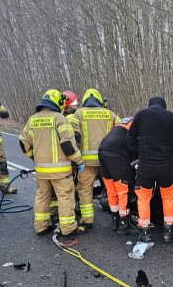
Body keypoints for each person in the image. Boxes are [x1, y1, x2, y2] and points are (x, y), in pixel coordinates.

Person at [19, 90, 86, 236]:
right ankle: (68, 228)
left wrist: (34, 157)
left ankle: (41, 226)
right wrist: (79, 161)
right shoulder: (60, 119)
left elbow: (23, 142)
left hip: (41, 170)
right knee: (65, 196)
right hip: (60, 170)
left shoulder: (32, 120)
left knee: (43, 196)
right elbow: (68, 145)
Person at [127, 96, 173, 243]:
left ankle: (145, 232)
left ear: (150, 104)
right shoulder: (172, 117)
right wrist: (172, 154)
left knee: (143, 197)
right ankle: (168, 232)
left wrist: (139, 153)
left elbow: (130, 138)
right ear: (163, 105)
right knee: (168, 197)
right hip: (166, 165)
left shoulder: (140, 114)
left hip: (146, 165)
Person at [73, 89, 119, 228]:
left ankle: (87, 220)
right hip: (107, 160)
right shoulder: (110, 114)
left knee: (85, 189)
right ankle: (116, 216)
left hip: (86, 162)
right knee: (112, 188)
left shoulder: (78, 114)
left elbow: (73, 137)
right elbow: (122, 132)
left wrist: (74, 159)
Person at [99, 116, 137, 235]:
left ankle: (115, 221)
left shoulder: (127, 121)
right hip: (116, 153)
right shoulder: (139, 124)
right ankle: (124, 225)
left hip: (102, 150)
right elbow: (137, 144)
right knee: (123, 189)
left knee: (111, 188)